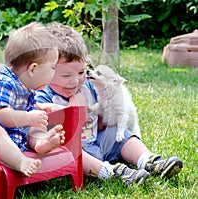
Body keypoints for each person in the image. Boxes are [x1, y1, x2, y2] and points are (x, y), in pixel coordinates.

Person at [35, 22, 183, 185]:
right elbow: (48, 136)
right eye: (66, 75)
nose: (75, 81)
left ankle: (149, 161)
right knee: (72, 151)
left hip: (97, 141)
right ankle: (113, 173)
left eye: (81, 72)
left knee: (120, 134)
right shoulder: (43, 97)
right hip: (78, 154)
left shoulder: (88, 86)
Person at [0, 22, 65, 177]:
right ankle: (20, 161)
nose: (54, 73)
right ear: (33, 69)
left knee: (37, 125)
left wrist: (41, 108)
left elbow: (22, 107)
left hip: (13, 139)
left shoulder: (24, 87)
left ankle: (40, 143)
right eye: (53, 68)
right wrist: (28, 117)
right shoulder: (3, 83)